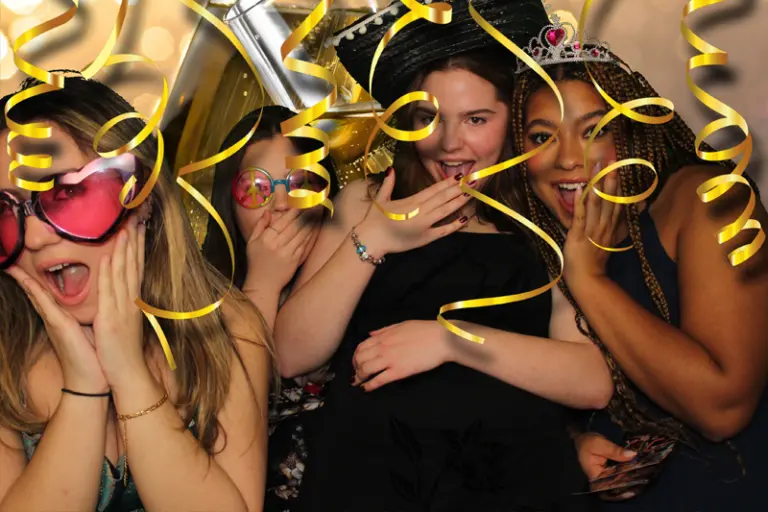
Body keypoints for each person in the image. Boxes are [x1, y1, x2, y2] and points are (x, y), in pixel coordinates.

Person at [275, 1, 612, 510]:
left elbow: (591, 381)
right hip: (373, 480)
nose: (451, 144)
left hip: (512, 482)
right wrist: (375, 239)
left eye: (476, 119)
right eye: (429, 118)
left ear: (513, 116)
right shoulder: (369, 200)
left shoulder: (539, 217)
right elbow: (291, 354)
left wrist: (450, 340)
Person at [511, 16, 768, 511]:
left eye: (595, 130)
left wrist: (588, 279)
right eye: (542, 137)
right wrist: (571, 442)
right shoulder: (533, 240)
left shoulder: (711, 201)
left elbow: (723, 409)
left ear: (632, 131)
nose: (568, 159)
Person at [0, 72, 271, 512]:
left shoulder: (228, 328)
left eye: (66, 192)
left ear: (143, 197)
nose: (32, 238)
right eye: (5, 210)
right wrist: (84, 388)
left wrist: (128, 372)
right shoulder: (5, 357)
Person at [201, 105, 338, 511]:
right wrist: (262, 283)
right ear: (228, 203)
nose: (280, 205)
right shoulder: (195, 308)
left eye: (301, 183)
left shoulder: (365, 277)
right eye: (256, 188)